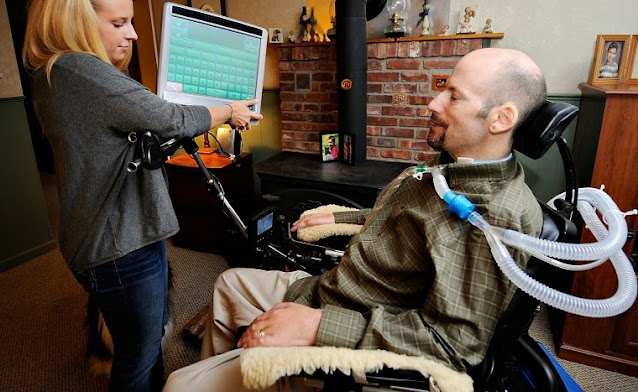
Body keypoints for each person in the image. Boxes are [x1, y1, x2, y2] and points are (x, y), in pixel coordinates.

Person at [164, 48, 547, 391]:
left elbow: (451, 344)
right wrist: (339, 215)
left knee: (179, 385)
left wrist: (315, 325)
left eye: (454, 96)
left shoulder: (492, 216)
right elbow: (398, 216)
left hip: (352, 321)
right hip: (337, 287)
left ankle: (252, 372)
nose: (433, 103)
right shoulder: (452, 167)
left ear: (501, 118)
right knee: (230, 283)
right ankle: (238, 371)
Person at [22, 0, 262, 392]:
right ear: (76, 20)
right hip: (119, 245)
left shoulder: (59, 76)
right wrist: (229, 110)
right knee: (138, 355)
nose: (133, 34)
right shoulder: (78, 70)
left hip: (115, 235)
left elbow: (137, 130)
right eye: (119, 23)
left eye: (131, 21)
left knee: (143, 345)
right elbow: (168, 117)